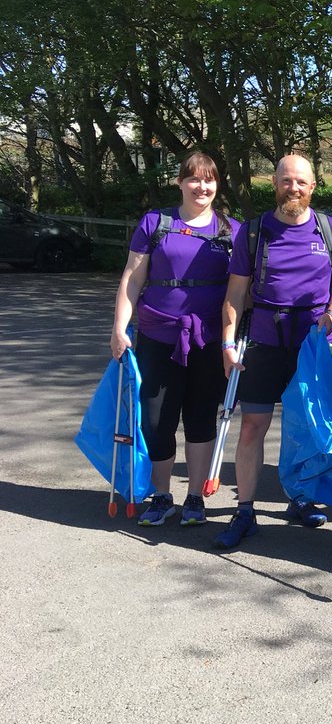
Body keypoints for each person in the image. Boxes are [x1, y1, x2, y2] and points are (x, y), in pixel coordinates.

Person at [213, 154, 332, 549]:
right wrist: (227, 343)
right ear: (274, 183)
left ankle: (302, 497)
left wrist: (331, 313)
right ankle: (244, 510)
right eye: (286, 180)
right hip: (262, 341)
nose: (294, 188)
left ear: (314, 186)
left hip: (311, 343)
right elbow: (236, 293)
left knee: (307, 427)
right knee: (252, 427)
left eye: (302, 182)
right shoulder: (255, 232)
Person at [110, 151, 239, 528]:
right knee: (156, 420)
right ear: (180, 182)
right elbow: (132, 279)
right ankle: (161, 495)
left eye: (209, 180)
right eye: (194, 179)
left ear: (217, 185)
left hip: (209, 339)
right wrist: (119, 328)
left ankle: (195, 497)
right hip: (157, 335)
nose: (202, 187)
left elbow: (242, 288)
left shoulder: (230, 230)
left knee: (201, 419)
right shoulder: (156, 223)